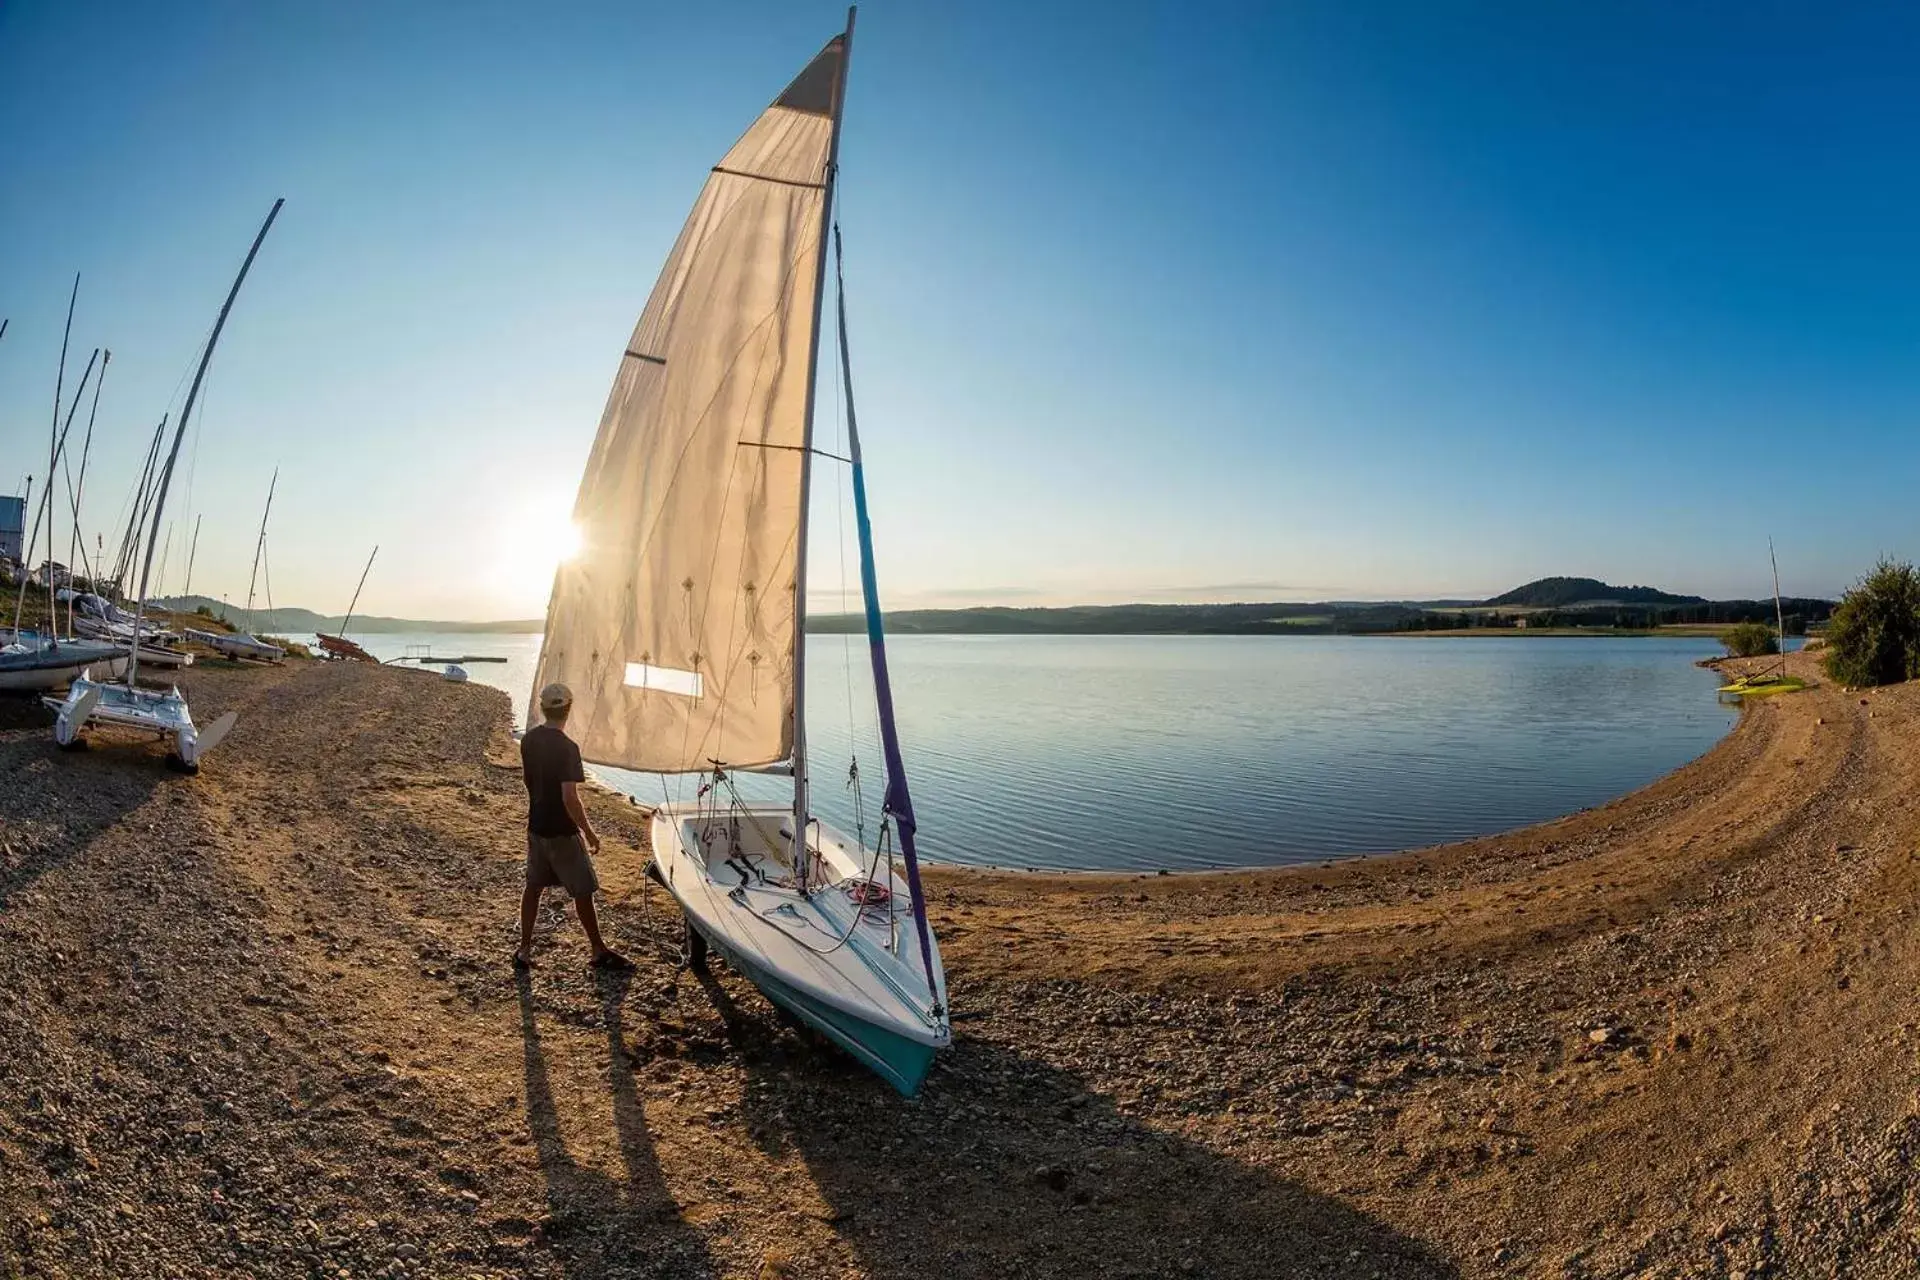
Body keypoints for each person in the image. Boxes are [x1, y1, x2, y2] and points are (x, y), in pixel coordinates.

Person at [515, 682, 631, 971]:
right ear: (568, 709)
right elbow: (570, 797)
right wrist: (589, 832)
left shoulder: (528, 740)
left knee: (533, 887)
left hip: (536, 825)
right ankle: (597, 949)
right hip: (562, 831)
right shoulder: (568, 748)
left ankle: (524, 950)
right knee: (583, 890)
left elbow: (529, 780)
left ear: (543, 708)